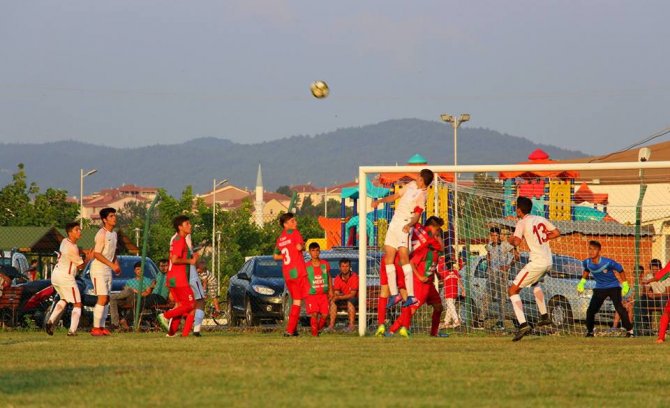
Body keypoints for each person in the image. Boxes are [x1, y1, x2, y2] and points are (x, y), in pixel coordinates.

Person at [372, 169, 434, 311]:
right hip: (394, 223)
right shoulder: (411, 185)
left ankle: (411, 295)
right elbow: (395, 196)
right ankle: (394, 294)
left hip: (404, 225)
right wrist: (380, 201)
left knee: (404, 258)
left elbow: (417, 216)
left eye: (419, 177)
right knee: (388, 257)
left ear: (422, 180)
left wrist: (409, 225)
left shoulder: (422, 196)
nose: (416, 178)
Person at [507, 196, 561, 342]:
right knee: (534, 283)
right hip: (548, 261)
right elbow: (557, 233)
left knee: (512, 290)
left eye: (515, 208)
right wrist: (542, 239)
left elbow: (516, 241)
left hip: (537, 262)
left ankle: (523, 325)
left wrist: (509, 239)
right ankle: (544, 316)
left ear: (519, 209)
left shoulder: (522, 222)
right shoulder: (540, 218)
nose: (515, 210)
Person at [387, 216, 446, 337]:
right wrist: (419, 277)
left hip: (429, 284)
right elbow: (412, 263)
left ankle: (434, 333)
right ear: (431, 228)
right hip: (420, 284)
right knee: (412, 310)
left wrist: (437, 275)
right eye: (437, 230)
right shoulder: (424, 249)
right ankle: (391, 331)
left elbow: (434, 261)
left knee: (439, 307)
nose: (437, 234)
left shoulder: (434, 250)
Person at [577, 241, 633, 337]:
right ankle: (590, 332)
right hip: (599, 288)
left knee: (619, 308)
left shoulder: (608, 262)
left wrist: (625, 284)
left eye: (594, 249)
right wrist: (582, 283)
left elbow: (620, 269)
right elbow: (587, 270)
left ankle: (630, 331)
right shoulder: (586, 262)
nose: (591, 251)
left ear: (599, 251)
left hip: (613, 287)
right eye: (590, 249)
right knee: (591, 310)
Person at [157, 215, 198, 337]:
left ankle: (174, 334)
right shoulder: (180, 240)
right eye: (187, 224)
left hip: (173, 278)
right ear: (180, 227)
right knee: (191, 305)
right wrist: (190, 261)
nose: (190, 226)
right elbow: (174, 260)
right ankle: (165, 316)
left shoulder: (179, 239)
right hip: (179, 278)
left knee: (183, 307)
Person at [45, 222, 88, 336]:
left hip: (56, 275)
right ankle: (72, 331)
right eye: (76, 230)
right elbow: (81, 266)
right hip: (66, 277)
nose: (79, 232)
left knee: (64, 299)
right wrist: (89, 256)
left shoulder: (64, 241)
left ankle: (50, 321)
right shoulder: (72, 248)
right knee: (77, 304)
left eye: (79, 229)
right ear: (70, 233)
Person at [273, 212, 308, 337]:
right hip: (298, 271)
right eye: (293, 221)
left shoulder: (280, 238)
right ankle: (317, 325)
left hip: (288, 273)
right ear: (285, 224)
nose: (295, 223)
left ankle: (291, 329)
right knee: (314, 295)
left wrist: (289, 253)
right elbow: (299, 247)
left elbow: (275, 256)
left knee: (297, 301)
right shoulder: (295, 233)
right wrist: (302, 246)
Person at [90, 207, 121, 336]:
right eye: (111, 216)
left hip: (108, 270)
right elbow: (96, 254)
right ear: (104, 220)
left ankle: (102, 327)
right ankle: (95, 328)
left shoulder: (114, 234)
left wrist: (116, 264)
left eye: (114, 216)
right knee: (102, 297)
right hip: (98, 270)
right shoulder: (101, 234)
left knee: (107, 299)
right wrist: (111, 265)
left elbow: (113, 253)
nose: (114, 218)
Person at [483, 227, 518, 330]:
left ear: (499, 235)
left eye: (496, 235)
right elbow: (489, 255)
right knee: (487, 297)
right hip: (492, 275)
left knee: (501, 299)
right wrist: (489, 266)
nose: (494, 238)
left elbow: (516, 256)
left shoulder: (505, 245)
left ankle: (501, 322)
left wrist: (508, 266)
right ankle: (480, 320)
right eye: (492, 235)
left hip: (502, 275)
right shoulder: (489, 246)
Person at [109, 261, 155, 330]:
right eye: (138, 269)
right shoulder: (129, 281)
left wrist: (135, 291)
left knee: (129, 290)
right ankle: (115, 323)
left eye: (141, 269)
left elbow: (146, 293)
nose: (139, 271)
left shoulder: (147, 280)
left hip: (137, 299)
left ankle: (110, 296)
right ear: (134, 271)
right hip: (126, 299)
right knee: (113, 299)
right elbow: (124, 293)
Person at [304, 242, 332, 336]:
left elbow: (329, 277)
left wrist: (331, 290)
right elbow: (303, 279)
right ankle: (314, 335)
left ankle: (317, 329)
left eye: (317, 250)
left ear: (319, 251)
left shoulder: (325, 264)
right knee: (314, 314)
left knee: (325, 315)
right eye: (313, 251)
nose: (315, 253)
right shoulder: (306, 266)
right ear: (309, 252)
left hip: (323, 294)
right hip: (312, 295)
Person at [642, 261, 670, 343]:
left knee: (666, 314)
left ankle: (661, 338)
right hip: (655, 299)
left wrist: (648, 281)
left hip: (662, 297)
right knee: (666, 313)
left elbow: (661, 275)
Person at [328, 259, 358, 332]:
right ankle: (331, 326)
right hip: (343, 298)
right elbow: (337, 292)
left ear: (350, 267)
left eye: (347, 266)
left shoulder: (354, 277)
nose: (344, 268)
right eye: (343, 266)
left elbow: (352, 294)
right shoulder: (338, 278)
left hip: (354, 299)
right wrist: (336, 297)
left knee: (350, 301)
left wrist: (339, 296)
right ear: (340, 267)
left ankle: (351, 326)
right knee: (333, 302)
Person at [185, 234, 206, 337]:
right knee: (201, 301)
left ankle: (171, 327)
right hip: (192, 277)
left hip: (180, 277)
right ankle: (196, 329)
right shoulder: (185, 238)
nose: (190, 226)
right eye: (188, 224)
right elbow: (194, 260)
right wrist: (198, 261)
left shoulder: (174, 239)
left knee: (182, 304)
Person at [440, 257, 465, 329]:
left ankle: (456, 321)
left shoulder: (455, 272)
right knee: (450, 307)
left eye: (452, 264)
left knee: (451, 307)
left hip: (453, 293)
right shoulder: (444, 273)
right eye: (450, 265)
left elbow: (459, 281)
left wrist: (463, 290)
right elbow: (439, 274)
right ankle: (446, 322)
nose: (451, 266)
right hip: (449, 293)